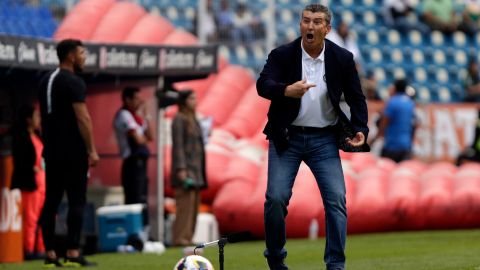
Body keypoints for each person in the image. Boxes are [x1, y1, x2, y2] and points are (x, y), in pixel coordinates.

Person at [256, 4, 369, 270]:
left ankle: (336, 265)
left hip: (324, 141)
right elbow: (263, 85)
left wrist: (360, 127)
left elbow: (356, 97)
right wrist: (286, 90)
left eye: (317, 22)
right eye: (306, 21)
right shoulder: (282, 55)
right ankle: (275, 260)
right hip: (287, 137)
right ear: (300, 25)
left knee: (337, 201)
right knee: (275, 198)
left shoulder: (342, 58)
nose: (310, 26)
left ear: (327, 29)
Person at [38, 39, 99, 267]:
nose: (84, 57)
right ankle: (73, 251)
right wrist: (92, 150)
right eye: (82, 53)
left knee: (51, 201)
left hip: (51, 152)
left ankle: (50, 252)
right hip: (73, 153)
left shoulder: (45, 81)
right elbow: (82, 117)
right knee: (77, 201)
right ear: (71, 56)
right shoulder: (74, 82)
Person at [113, 86, 152, 235]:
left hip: (141, 163)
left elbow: (150, 136)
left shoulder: (137, 118)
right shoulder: (124, 115)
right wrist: (144, 139)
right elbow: (139, 139)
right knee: (134, 198)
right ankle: (134, 234)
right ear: (127, 100)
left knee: (142, 198)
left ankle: (144, 233)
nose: (139, 102)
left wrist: (147, 115)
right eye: (136, 99)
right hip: (132, 162)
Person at [170, 90, 207, 247]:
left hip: (196, 171)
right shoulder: (179, 119)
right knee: (184, 207)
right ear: (184, 101)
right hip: (185, 170)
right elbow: (178, 146)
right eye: (192, 98)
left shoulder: (194, 119)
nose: (195, 101)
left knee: (193, 207)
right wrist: (181, 169)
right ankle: (179, 238)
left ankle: (188, 237)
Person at [10, 104, 46, 260]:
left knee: (45, 216)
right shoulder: (20, 137)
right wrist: (31, 168)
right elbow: (20, 161)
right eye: (36, 116)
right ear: (28, 119)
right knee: (31, 218)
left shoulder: (38, 136)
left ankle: (43, 248)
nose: (39, 119)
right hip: (30, 183)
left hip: (43, 182)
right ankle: (29, 249)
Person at [376, 79, 416, 163]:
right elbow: (415, 123)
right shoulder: (410, 103)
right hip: (406, 145)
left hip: (392, 145)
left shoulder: (392, 102)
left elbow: (384, 121)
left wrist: (378, 136)